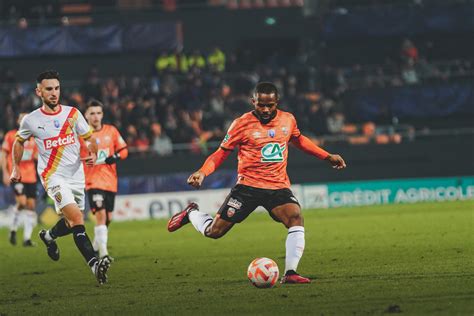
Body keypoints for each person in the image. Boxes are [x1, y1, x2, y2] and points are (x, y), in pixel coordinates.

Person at [167, 82, 346, 284]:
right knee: (214, 232)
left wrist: (326, 156)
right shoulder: (241, 124)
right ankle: (191, 212)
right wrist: (202, 172)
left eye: (270, 105)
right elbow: (221, 153)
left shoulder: (288, 120)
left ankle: (290, 273)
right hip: (247, 187)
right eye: (261, 105)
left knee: (295, 217)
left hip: (277, 186)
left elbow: (299, 140)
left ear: (277, 102)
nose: (266, 109)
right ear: (253, 102)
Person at [10, 70, 111, 284]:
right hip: (52, 177)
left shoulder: (72, 113)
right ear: (39, 92)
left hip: (76, 175)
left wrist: (92, 152)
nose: (54, 93)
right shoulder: (31, 120)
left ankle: (49, 236)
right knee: (77, 219)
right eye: (49, 89)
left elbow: (89, 138)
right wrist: (15, 168)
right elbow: (18, 142)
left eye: (56, 88)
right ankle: (95, 265)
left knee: (71, 221)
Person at [80, 100, 128, 261]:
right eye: (92, 113)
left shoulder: (111, 131)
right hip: (92, 182)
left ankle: (95, 246)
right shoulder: (82, 136)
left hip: (110, 182)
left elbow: (124, 150)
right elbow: (73, 156)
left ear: (102, 114)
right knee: (100, 215)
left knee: (108, 218)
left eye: (98, 113)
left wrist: (115, 157)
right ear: (86, 115)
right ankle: (104, 254)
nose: (95, 117)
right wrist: (83, 159)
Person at [1, 113, 38, 247]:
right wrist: (5, 172)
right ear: (18, 121)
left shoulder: (33, 138)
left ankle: (27, 239)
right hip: (17, 175)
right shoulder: (11, 135)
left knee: (31, 206)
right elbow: (3, 154)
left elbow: (36, 156)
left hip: (31, 176)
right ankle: (13, 228)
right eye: (22, 119)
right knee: (22, 202)